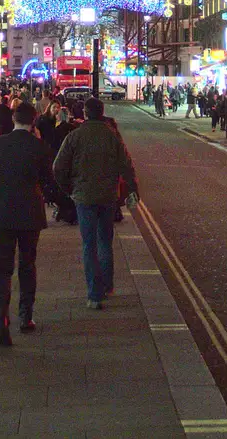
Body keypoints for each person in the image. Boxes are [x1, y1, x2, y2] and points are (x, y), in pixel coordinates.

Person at [0, 101, 60, 345]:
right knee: (27, 264)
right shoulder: (40, 147)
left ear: (13, 119)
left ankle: (2, 319)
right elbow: (48, 183)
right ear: (33, 121)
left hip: (1, 214)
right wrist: (63, 200)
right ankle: (26, 317)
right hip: (30, 214)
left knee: (2, 269)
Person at [53, 97, 139, 310]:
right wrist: (132, 188)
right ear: (101, 112)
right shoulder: (112, 136)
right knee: (105, 242)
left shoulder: (75, 136)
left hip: (83, 197)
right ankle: (107, 286)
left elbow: (57, 167)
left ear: (85, 112)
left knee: (88, 244)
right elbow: (126, 165)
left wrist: (69, 189)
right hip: (108, 196)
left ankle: (94, 294)